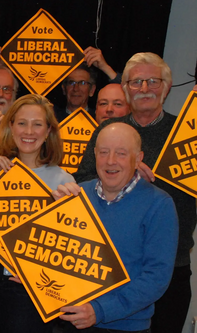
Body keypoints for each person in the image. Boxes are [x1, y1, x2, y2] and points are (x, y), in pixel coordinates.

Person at [74, 52, 196, 333]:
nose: (144, 89)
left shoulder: (187, 131)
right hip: (108, 266)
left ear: (166, 87)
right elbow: (85, 178)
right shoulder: (108, 129)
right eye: (136, 82)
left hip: (170, 264)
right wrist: (125, 170)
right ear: (126, 88)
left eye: (153, 81)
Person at [0, 94, 74, 333]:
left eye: (37, 124)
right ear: (10, 127)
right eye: (22, 123)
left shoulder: (63, 181)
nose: (29, 131)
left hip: (28, 287)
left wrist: (38, 275)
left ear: (48, 131)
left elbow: (68, 248)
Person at [54, 123, 178, 332]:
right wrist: (34, 273)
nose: (110, 161)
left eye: (121, 153)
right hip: (67, 321)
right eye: (103, 152)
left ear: (138, 159)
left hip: (124, 327)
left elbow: (156, 277)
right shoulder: (75, 195)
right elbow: (57, 254)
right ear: (95, 155)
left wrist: (100, 310)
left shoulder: (159, 204)